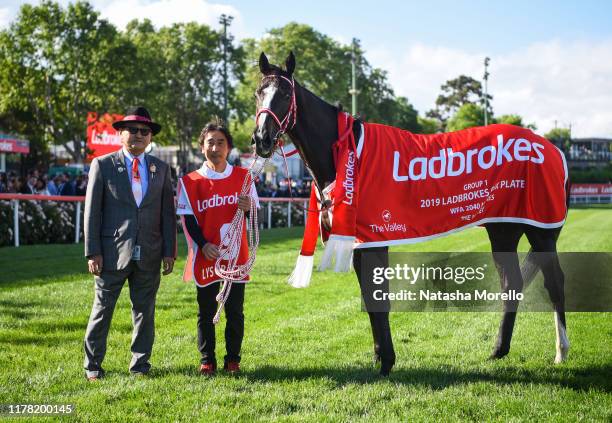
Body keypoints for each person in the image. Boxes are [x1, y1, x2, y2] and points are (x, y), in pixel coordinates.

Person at [83, 106, 177, 380]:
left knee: (144, 313)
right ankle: (92, 366)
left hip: (149, 252)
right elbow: (92, 212)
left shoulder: (161, 169)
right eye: (133, 130)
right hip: (110, 254)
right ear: (120, 133)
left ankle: (140, 365)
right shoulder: (102, 165)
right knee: (102, 310)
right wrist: (93, 252)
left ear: (150, 137)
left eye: (144, 131)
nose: (138, 135)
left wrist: (169, 251)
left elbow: (167, 214)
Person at [177, 121, 259, 375]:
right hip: (207, 256)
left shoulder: (244, 177)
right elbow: (188, 219)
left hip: (236, 257)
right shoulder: (190, 181)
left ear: (229, 147)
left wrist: (248, 209)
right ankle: (207, 360)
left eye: (220, 142)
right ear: (202, 147)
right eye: (210, 142)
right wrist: (203, 245)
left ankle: (233, 359)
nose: (215, 147)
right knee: (206, 311)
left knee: (235, 310)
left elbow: (253, 218)